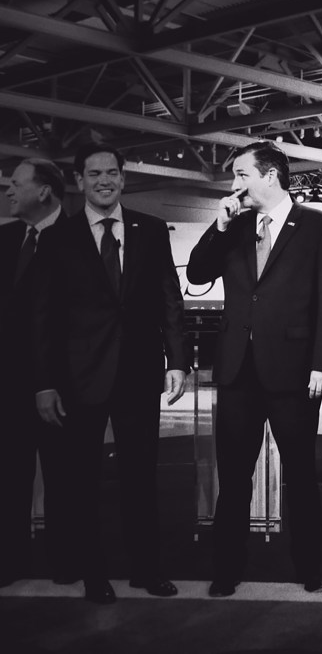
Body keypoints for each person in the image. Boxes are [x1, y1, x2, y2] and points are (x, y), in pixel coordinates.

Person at [186, 141, 322, 598]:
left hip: (295, 373)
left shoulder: (317, 227)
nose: (234, 184)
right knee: (233, 478)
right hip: (237, 371)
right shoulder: (232, 227)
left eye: (241, 174)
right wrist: (218, 227)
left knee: (300, 475)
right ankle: (226, 569)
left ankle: (310, 568)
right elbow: (197, 275)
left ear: (270, 176)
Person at [31, 144, 188, 604]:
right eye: (95, 172)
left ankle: (147, 569)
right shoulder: (58, 238)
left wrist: (177, 360)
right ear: (79, 180)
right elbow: (43, 317)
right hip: (79, 379)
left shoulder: (151, 229)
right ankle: (94, 573)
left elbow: (169, 299)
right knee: (82, 481)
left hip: (138, 375)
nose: (105, 180)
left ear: (123, 179)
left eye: (113, 172)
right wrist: (44, 382)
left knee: (142, 477)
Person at [0, 159, 66, 587]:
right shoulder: (5, 237)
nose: (7, 192)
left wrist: (52, 380)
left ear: (43, 191)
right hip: (8, 383)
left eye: (15, 185)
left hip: (62, 385)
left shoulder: (77, 238)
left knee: (63, 477)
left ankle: (64, 561)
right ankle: (10, 560)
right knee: (9, 476)